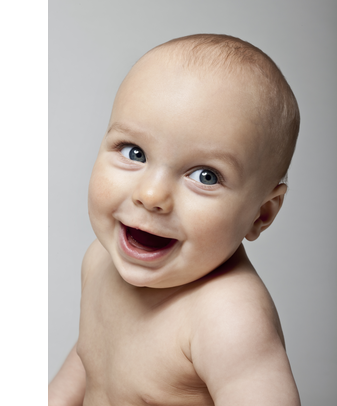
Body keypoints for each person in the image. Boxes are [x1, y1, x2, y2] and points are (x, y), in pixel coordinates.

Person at [49, 34, 301, 405]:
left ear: (261, 214)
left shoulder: (226, 316)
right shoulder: (99, 262)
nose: (151, 196)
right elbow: (90, 360)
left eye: (205, 176)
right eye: (134, 152)